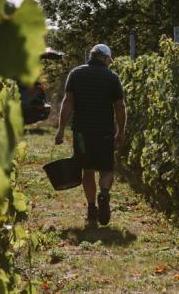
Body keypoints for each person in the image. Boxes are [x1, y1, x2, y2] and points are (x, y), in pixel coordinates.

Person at [55, 43, 126, 226]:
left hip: (82, 133)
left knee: (87, 170)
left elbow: (68, 102)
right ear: (105, 58)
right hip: (104, 133)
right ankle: (104, 194)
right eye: (109, 60)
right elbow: (119, 107)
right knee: (106, 169)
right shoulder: (112, 78)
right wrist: (121, 131)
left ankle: (92, 208)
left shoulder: (76, 74)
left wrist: (61, 129)